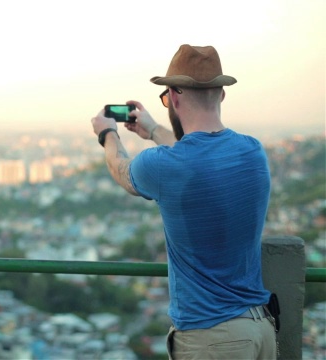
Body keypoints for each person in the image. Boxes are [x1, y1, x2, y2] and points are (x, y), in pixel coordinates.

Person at [90, 44, 277, 359]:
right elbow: (194, 157)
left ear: (173, 97)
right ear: (221, 94)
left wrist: (107, 134)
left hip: (212, 338)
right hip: (261, 329)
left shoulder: (164, 165)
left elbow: (122, 171)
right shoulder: (252, 151)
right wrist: (151, 129)